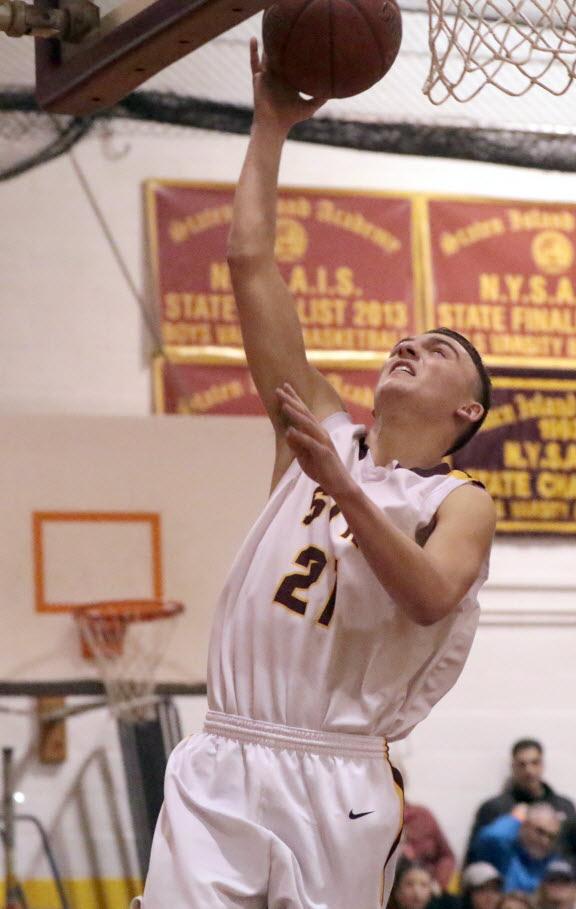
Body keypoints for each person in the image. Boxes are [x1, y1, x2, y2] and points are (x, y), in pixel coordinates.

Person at [136, 40, 496, 908]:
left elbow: (429, 596)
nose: (409, 344)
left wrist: (340, 484)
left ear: (468, 413)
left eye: (439, 350)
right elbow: (250, 265)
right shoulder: (317, 428)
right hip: (223, 753)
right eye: (406, 339)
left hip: (335, 777)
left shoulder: (461, 500)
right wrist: (268, 125)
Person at [467, 740, 576, 864]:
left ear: (542, 765)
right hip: (508, 880)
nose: (529, 770)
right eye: (522, 764)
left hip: (557, 879)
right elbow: (475, 857)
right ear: (513, 767)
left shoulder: (565, 806)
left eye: (535, 763)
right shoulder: (493, 808)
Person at [472, 803, 565, 893]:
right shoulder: (503, 848)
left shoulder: (551, 860)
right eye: (540, 832)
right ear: (524, 826)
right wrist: (513, 820)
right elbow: (490, 836)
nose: (545, 841)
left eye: (551, 837)